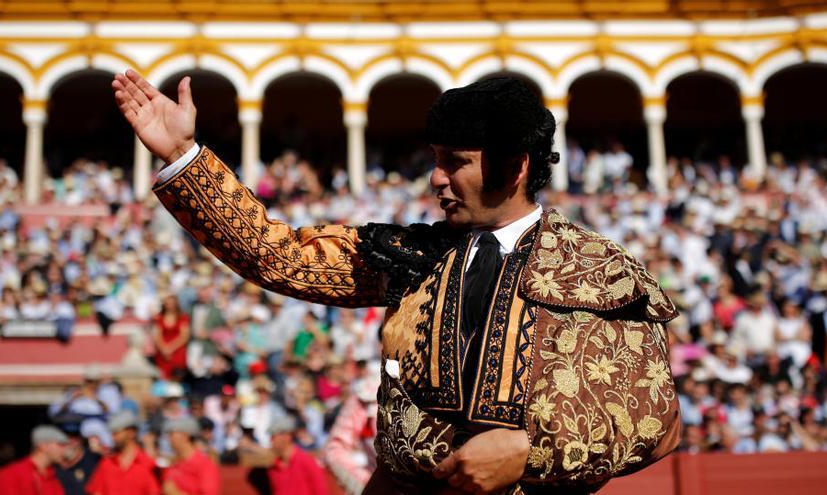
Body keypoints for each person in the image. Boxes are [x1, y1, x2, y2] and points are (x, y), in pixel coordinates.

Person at [113, 70, 681, 494]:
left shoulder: (593, 271)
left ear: (516, 167)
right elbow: (276, 256)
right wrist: (184, 157)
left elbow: (655, 424)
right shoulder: (412, 254)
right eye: (435, 158)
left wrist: (532, 453)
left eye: (454, 161)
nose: (435, 177)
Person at [86, 411, 160, 495]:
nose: (113, 437)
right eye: (112, 434)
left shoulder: (148, 464)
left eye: (116, 433)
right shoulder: (106, 464)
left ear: (131, 432)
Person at [0, 425, 67, 495]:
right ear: (43, 445)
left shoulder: (53, 475)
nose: (64, 450)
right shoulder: (12, 475)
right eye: (60, 444)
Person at [267, 415, 329, 495]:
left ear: (287, 436)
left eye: (273, 436)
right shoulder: (274, 467)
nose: (271, 441)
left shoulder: (307, 462)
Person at [160, 418, 220, 495]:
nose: (169, 439)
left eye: (172, 434)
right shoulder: (175, 465)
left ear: (185, 436)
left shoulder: (205, 466)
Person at [153, 294, 190, 380]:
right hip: (162, 352)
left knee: (177, 375)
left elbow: (184, 336)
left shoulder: (182, 317)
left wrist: (171, 348)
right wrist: (163, 349)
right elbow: (157, 335)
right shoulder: (160, 318)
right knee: (163, 375)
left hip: (177, 351)